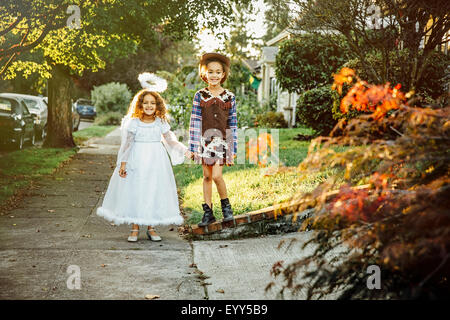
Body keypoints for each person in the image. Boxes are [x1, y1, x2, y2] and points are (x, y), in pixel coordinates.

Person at [96, 82, 190, 242]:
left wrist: (185, 150)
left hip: (156, 161)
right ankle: (134, 228)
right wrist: (123, 163)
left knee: (152, 191)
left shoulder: (160, 122)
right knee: (136, 191)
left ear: (157, 105)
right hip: (137, 160)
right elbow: (127, 144)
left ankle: (151, 228)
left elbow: (171, 140)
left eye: (152, 103)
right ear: (140, 105)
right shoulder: (134, 122)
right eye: (145, 102)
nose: (149, 105)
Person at [187, 52, 238, 227]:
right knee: (207, 177)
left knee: (217, 176)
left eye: (218, 72)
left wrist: (232, 150)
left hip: (222, 143)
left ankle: (227, 209)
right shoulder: (200, 95)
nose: (214, 75)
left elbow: (233, 124)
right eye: (210, 72)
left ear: (223, 74)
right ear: (204, 73)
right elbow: (195, 121)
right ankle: (208, 213)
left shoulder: (229, 97)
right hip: (204, 143)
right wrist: (193, 147)